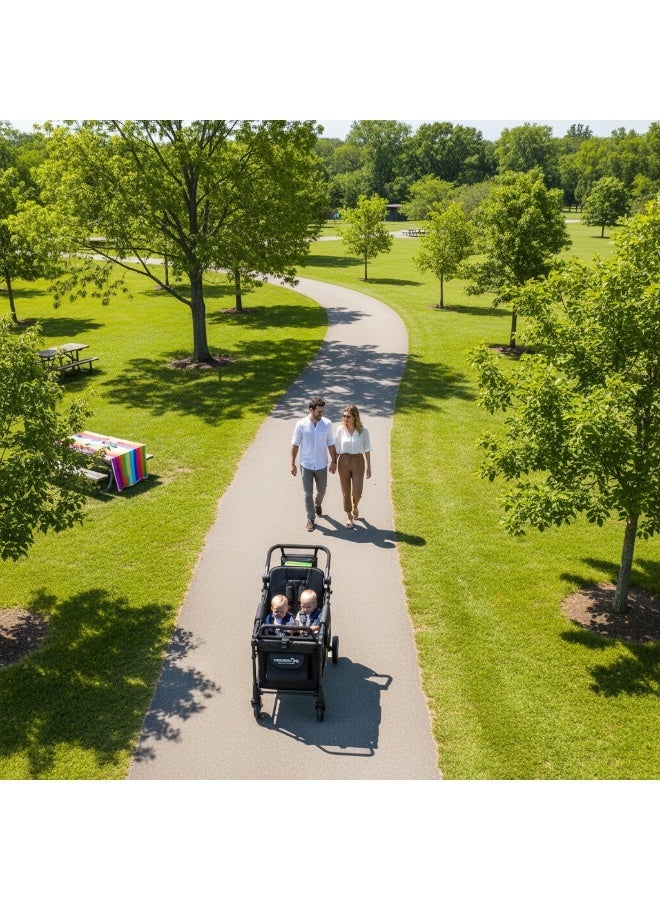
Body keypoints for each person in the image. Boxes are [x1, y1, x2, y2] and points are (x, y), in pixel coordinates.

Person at [290, 396, 337, 532]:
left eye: (322, 412)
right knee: (307, 494)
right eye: (319, 412)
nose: (321, 414)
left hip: (322, 464)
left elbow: (331, 445)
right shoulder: (301, 424)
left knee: (322, 490)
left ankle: (318, 504)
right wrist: (292, 463)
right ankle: (310, 518)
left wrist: (334, 462)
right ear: (311, 410)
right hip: (306, 465)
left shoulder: (327, 424)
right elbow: (295, 445)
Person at [335, 403, 371, 529]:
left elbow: (367, 449)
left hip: (358, 461)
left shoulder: (363, 430)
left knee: (357, 491)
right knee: (346, 491)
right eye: (344, 416)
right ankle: (349, 516)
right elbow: (336, 448)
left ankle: (355, 505)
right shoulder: (340, 430)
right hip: (343, 460)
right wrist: (333, 462)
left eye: (348, 417)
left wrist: (369, 467)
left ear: (355, 417)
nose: (345, 419)